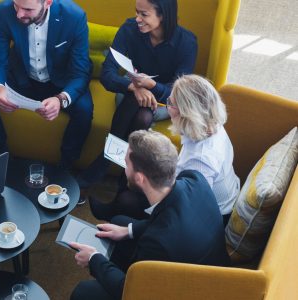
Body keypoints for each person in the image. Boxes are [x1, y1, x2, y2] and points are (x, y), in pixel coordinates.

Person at [69, 130, 230, 300]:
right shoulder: (194, 179)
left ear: (139, 178)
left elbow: (133, 291)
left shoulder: (158, 243)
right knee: (120, 222)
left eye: (126, 164)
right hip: (211, 264)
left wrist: (94, 260)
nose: (124, 169)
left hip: (192, 290)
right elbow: (170, 214)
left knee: (82, 292)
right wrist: (128, 230)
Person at [90, 75, 240, 224]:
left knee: (129, 197)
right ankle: (115, 209)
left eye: (170, 103)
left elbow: (186, 208)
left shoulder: (200, 161)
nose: (167, 108)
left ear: (187, 113)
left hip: (209, 215)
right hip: (211, 193)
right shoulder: (210, 123)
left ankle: (116, 217)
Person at [78, 0, 197, 187]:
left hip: (166, 102)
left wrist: (152, 86)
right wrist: (135, 87)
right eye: (137, 12)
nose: (137, 19)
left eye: (144, 14)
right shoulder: (129, 29)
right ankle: (124, 184)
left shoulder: (187, 42)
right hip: (129, 91)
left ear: (163, 15)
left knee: (142, 115)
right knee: (140, 113)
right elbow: (107, 74)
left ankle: (105, 160)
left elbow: (178, 95)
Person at [0, 0, 94, 165]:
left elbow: (80, 73)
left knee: (84, 110)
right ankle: (1, 154)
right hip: (22, 77)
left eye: (27, 9)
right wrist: (0, 89)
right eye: (16, 6)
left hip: (60, 82)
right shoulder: (4, 10)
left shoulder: (74, 17)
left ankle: (66, 165)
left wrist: (60, 99)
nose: (19, 14)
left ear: (48, 2)